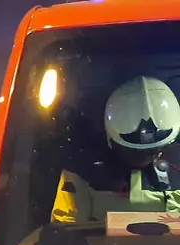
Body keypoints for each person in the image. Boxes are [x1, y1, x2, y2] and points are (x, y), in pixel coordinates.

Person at [52, 76, 180, 223]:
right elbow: (64, 229)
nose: (142, 158)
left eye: (151, 151)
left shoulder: (176, 166)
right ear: (112, 141)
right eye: (132, 152)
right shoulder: (83, 169)